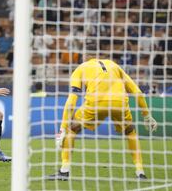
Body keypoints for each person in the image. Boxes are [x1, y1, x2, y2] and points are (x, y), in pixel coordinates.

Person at [48, 43, 158, 181]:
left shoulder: (81, 68)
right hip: (119, 103)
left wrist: (62, 129)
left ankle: (64, 171)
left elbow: (71, 100)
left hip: (95, 102)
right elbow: (137, 92)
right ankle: (140, 172)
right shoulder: (114, 65)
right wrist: (147, 115)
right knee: (130, 131)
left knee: (72, 129)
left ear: (85, 55)